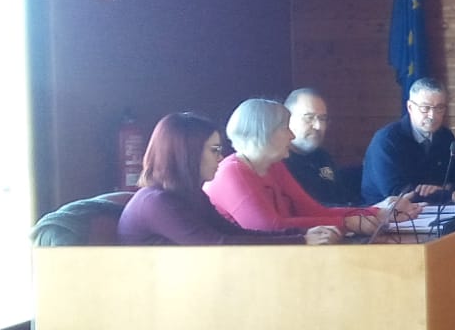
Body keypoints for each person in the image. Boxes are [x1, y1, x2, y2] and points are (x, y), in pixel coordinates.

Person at [118, 112, 338, 245]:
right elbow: (218, 246)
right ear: (189, 154)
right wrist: (301, 240)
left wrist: (303, 234)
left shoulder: (188, 196)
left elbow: (233, 233)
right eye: (214, 150)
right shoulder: (157, 202)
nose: (220, 157)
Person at [207, 99, 407, 236]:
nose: (292, 136)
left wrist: (375, 213)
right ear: (264, 132)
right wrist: (346, 223)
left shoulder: (274, 165)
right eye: (285, 128)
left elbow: (311, 210)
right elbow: (269, 227)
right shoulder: (232, 172)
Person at [361, 77, 455, 204]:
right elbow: (398, 194)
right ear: (410, 108)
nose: (432, 115)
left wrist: (444, 188)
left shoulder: (444, 137)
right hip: (386, 216)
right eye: (425, 108)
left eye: (439, 108)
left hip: (437, 211)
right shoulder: (387, 141)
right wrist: (454, 195)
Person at [282, 88, 358, 206]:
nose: (318, 126)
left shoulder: (323, 157)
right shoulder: (279, 162)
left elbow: (342, 201)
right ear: (287, 120)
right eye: (309, 117)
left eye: (322, 118)